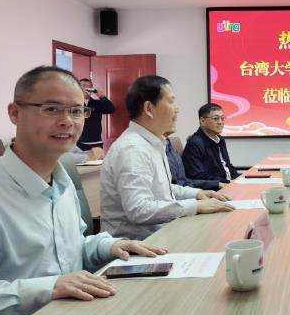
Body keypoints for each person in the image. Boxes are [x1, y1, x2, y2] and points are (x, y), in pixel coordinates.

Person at [0, 66, 165, 315]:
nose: (67, 121)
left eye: (77, 111)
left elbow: (69, 250)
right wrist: (48, 288)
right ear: (15, 113)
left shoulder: (61, 182)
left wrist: (109, 246)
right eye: (51, 109)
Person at [100, 76, 233, 241]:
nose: (177, 109)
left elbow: (164, 190)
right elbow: (139, 209)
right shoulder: (133, 149)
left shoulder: (154, 143)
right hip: (138, 245)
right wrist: (195, 206)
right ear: (149, 108)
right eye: (171, 101)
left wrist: (198, 193)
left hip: (163, 234)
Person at [182, 103, 240, 183]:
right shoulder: (194, 144)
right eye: (216, 118)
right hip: (215, 188)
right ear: (202, 121)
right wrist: (227, 182)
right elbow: (197, 175)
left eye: (222, 118)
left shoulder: (220, 140)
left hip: (229, 184)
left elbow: (227, 166)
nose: (220, 122)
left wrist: (240, 179)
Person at [77, 78, 115, 151]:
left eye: (89, 86)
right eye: (84, 85)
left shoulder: (97, 103)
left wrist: (102, 97)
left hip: (96, 142)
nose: (87, 88)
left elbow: (111, 110)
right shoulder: (74, 103)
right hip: (78, 142)